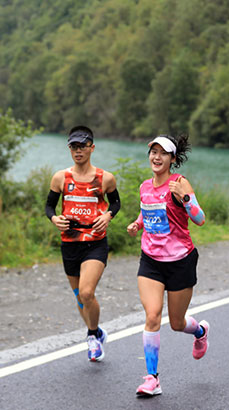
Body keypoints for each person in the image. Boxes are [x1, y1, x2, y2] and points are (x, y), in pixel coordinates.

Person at [126, 134, 208, 397]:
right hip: (150, 261)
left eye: (163, 153)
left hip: (180, 261)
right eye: (153, 152)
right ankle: (152, 378)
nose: (156, 157)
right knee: (152, 315)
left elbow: (200, 219)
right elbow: (147, 209)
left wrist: (185, 199)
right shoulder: (144, 186)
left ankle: (200, 330)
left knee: (175, 322)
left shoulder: (180, 182)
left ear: (172, 158)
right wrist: (138, 223)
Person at [45, 125, 121, 362]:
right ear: (70, 149)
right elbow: (49, 207)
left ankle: (91, 335)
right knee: (80, 297)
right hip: (70, 243)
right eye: (74, 147)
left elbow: (115, 204)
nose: (78, 151)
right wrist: (54, 218)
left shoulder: (105, 178)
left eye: (83, 146)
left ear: (92, 148)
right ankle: (98, 332)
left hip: (95, 243)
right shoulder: (60, 177)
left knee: (88, 292)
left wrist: (107, 216)